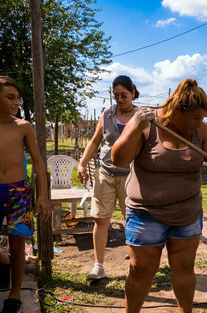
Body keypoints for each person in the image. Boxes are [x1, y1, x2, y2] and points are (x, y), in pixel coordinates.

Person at [111, 78, 207, 313]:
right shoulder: (147, 123)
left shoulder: (198, 129)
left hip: (187, 213)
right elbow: (118, 159)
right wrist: (136, 126)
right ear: (178, 110)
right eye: (196, 118)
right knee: (141, 270)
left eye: (202, 118)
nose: (201, 123)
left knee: (185, 267)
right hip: (146, 214)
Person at [0, 76, 51, 313]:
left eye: (17, 98)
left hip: (18, 192)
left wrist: (43, 196)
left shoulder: (24, 126)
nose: (16, 102)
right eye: (10, 97)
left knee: (18, 245)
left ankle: (14, 296)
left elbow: (37, 161)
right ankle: (2, 262)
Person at [77, 75, 139, 281]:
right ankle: (99, 266)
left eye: (124, 95)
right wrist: (83, 163)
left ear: (132, 93)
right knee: (101, 219)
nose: (120, 99)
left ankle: (136, 265)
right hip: (105, 173)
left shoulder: (141, 116)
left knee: (131, 221)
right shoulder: (107, 114)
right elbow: (95, 142)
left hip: (132, 177)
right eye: (116, 95)